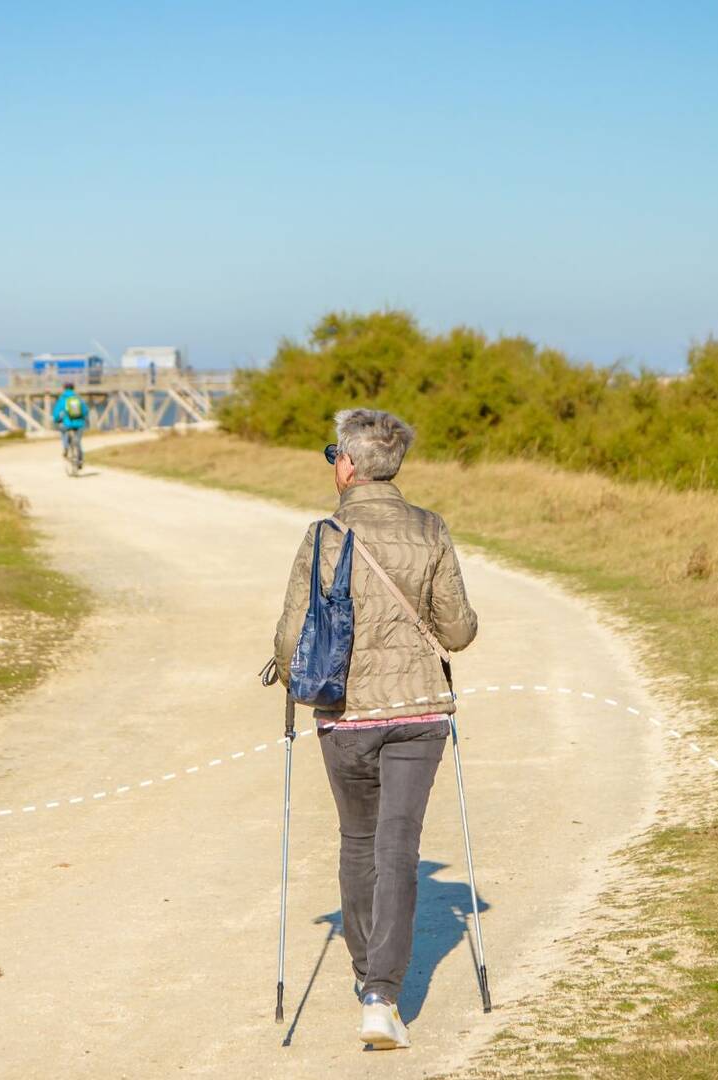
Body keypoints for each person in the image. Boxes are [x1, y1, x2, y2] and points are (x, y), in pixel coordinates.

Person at [273, 408, 478, 1050]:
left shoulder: (323, 535)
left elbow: (291, 637)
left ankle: (369, 977)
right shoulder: (431, 528)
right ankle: (382, 997)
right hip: (419, 710)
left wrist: (291, 679)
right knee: (399, 845)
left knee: (359, 840)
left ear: (348, 464)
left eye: (334, 453)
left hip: (346, 715)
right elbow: (458, 631)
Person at [52, 381, 88, 471]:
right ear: (73, 388)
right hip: (79, 424)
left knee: (63, 431)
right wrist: (83, 419)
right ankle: (80, 460)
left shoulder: (62, 399)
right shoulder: (78, 398)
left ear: (64, 389)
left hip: (67, 423)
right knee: (77, 441)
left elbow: (56, 414)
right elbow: (85, 411)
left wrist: (56, 420)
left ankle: (65, 447)